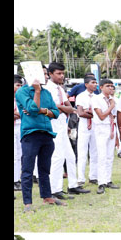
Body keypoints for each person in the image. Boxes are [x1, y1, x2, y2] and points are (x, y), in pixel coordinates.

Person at [16, 73, 67, 212]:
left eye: (45, 74)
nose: (45, 77)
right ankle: (27, 203)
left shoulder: (47, 92)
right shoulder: (22, 92)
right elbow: (32, 110)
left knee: (44, 168)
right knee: (27, 169)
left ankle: (47, 196)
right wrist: (37, 92)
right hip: (30, 134)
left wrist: (42, 110)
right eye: (42, 74)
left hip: (47, 133)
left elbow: (56, 112)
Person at [43, 63, 90, 201]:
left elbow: (67, 104)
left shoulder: (60, 88)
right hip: (53, 124)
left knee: (70, 156)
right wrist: (66, 108)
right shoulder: (46, 89)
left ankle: (73, 185)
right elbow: (49, 105)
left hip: (63, 124)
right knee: (57, 157)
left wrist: (68, 109)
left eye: (63, 73)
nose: (61, 76)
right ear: (50, 74)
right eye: (58, 73)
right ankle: (55, 189)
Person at [91, 80, 120, 193]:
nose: (110, 88)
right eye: (107, 86)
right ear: (101, 87)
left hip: (111, 127)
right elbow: (101, 115)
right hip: (101, 128)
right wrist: (111, 106)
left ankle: (108, 180)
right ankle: (101, 182)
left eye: (111, 86)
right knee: (102, 156)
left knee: (109, 156)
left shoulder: (112, 99)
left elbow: (114, 116)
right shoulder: (96, 99)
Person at [74, 76, 100, 187]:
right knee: (82, 152)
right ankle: (80, 178)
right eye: (93, 82)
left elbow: (99, 112)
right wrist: (91, 113)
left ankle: (93, 176)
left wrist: (89, 112)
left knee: (95, 152)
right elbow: (81, 113)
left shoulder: (97, 97)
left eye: (96, 82)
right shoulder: (81, 96)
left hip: (95, 125)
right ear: (86, 84)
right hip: (84, 126)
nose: (95, 84)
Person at [14, 75, 25, 192]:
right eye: (17, 85)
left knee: (20, 155)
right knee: (14, 156)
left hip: (20, 128)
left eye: (21, 85)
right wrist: (19, 114)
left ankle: (17, 179)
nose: (20, 88)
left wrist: (18, 114)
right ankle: (15, 180)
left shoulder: (20, 99)